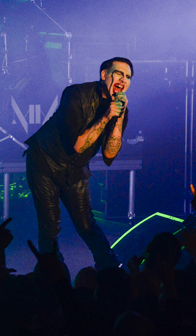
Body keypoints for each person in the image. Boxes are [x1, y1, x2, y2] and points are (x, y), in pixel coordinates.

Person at [24, 58, 131, 269]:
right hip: (45, 160)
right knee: (50, 225)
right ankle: (52, 275)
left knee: (86, 224)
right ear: (104, 75)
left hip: (74, 168)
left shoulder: (119, 110)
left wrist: (117, 119)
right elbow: (78, 146)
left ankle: (110, 269)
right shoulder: (75, 94)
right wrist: (106, 115)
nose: (123, 79)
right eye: (119, 73)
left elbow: (109, 155)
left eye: (128, 77)